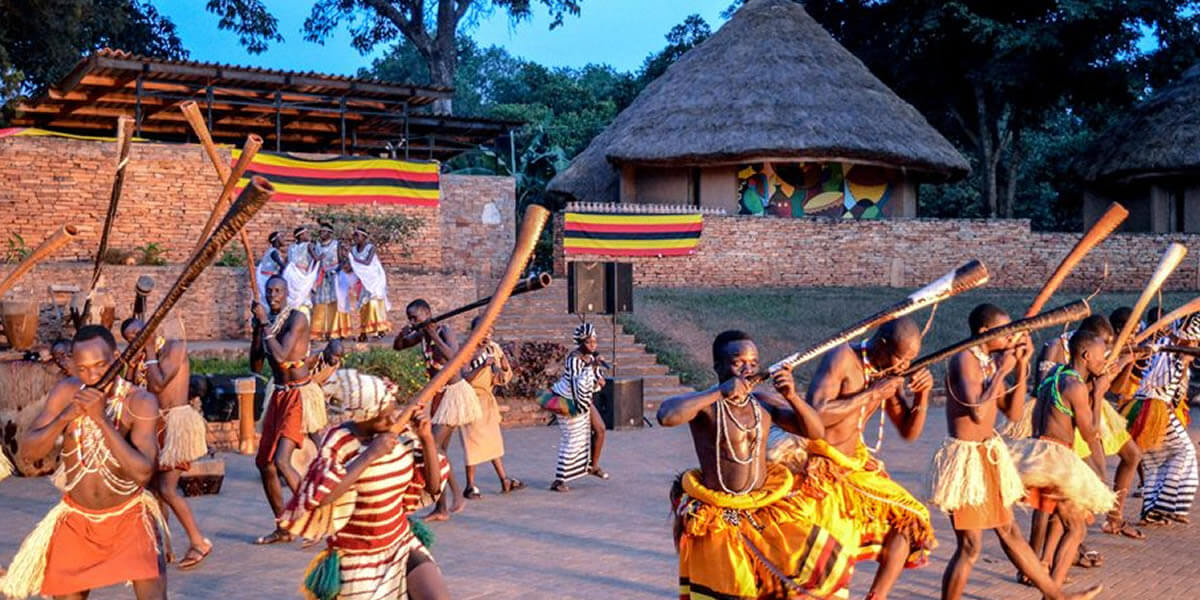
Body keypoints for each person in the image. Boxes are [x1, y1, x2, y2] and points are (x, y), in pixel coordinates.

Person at [657, 330, 855, 599]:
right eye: (738, 363)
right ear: (718, 366)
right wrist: (719, 391)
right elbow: (666, 416)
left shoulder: (762, 404)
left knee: (819, 562)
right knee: (733, 589)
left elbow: (816, 431)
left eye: (754, 363)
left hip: (762, 508)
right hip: (720, 515)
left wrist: (792, 396)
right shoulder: (707, 406)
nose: (748, 370)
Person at [936, 305, 1101, 600]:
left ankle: (1056, 596)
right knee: (970, 547)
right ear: (986, 332)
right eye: (1005, 330)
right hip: (966, 461)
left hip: (988, 457)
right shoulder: (965, 360)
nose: (1011, 336)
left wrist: (1022, 366)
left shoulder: (988, 362)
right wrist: (1003, 371)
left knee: (1010, 533)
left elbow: (1012, 412)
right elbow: (976, 412)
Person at [1, 326, 169, 600]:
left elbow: (142, 473)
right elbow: (29, 452)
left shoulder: (140, 401)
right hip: (76, 520)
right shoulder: (67, 391)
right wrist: (66, 417)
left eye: (100, 366)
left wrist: (101, 420)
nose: (91, 376)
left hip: (129, 518)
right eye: (82, 368)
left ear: (116, 357)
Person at [801, 317, 936, 600]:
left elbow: (908, 432)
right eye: (901, 357)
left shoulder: (886, 370)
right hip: (821, 465)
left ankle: (877, 596)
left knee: (910, 521)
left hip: (857, 466)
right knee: (830, 551)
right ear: (881, 344)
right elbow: (815, 414)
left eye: (910, 360)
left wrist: (922, 396)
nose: (903, 366)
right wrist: (871, 394)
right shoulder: (841, 357)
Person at [280, 378, 451, 600]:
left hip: (401, 543)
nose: (392, 421)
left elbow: (434, 486)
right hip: (357, 558)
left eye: (392, 413)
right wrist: (370, 455)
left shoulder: (400, 433)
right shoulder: (338, 441)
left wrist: (426, 439)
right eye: (383, 418)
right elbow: (323, 497)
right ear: (362, 419)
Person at [1008, 329, 1117, 587]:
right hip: (1057, 457)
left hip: (1039, 451)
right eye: (1102, 356)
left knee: (1061, 516)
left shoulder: (1053, 376)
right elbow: (1090, 434)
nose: (1104, 361)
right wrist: (1100, 393)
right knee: (1077, 528)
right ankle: (1052, 589)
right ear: (1086, 354)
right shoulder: (1075, 386)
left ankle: (1045, 570)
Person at [121, 318, 213, 571]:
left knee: (167, 488)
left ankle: (199, 541)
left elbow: (159, 383)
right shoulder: (142, 358)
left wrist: (149, 350)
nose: (135, 339)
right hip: (154, 426)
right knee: (154, 490)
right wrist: (130, 364)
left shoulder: (174, 347)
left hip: (176, 425)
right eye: (130, 338)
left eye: (138, 333)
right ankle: (163, 548)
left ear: (151, 329)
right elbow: (128, 389)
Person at [394, 299, 476, 520]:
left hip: (454, 394)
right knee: (438, 452)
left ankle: (455, 497)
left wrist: (433, 334)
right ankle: (442, 507)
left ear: (427, 314)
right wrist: (402, 334)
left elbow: (454, 358)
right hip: (439, 396)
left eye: (415, 318)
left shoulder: (443, 330)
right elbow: (398, 346)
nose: (412, 322)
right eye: (409, 318)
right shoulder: (422, 333)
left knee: (434, 449)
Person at [251, 275, 313, 545]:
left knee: (281, 461)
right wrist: (256, 329)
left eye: (278, 290)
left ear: (287, 293)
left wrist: (264, 322)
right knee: (263, 463)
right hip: (277, 395)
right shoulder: (267, 323)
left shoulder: (296, 318)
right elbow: (255, 366)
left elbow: (281, 355)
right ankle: (283, 526)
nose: (273, 295)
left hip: (298, 394)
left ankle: (315, 520)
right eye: (269, 291)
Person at [1122, 313, 1200, 526]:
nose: (1195, 346)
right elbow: (1157, 382)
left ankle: (1156, 509)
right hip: (1152, 406)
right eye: (1193, 341)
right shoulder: (1167, 349)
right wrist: (1181, 362)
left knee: (1156, 461)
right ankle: (1165, 505)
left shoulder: (1169, 349)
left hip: (1154, 406)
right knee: (1184, 452)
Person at [461, 316, 525, 497]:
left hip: (487, 401)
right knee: (472, 443)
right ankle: (470, 485)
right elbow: (465, 377)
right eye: (483, 331)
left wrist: (504, 368)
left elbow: (502, 378)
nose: (487, 335)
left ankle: (504, 479)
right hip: (471, 400)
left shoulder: (493, 348)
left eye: (489, 331)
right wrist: (482, 366)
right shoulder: (467, 350)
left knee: (492, 442)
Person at [543, 323, 610, 492]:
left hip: (583, 400)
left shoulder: (590, 357)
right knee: (572, 439)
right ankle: (559, 481)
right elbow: (577, 383)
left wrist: (599, 376)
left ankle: (593, 466)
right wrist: (593, 369)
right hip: (568, 401)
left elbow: (596, 379)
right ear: (580, 343)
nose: (593, 345)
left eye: (594, 341)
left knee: (600, 429)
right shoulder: (574, 359)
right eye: (589, 342)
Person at [349, 227, 392, 341]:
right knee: (364, 305)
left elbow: (368, 262)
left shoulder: (370, 248)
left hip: (374, 279)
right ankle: (363, 332)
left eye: (357, 235)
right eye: (354, 235)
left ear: (364, 237)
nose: (355, 238)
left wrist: (353, 259)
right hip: (362, 280)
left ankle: (380, 329)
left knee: (374, 303)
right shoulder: (353, 250)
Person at [310, 222, 341, 341]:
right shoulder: (317, 245)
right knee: (319, 304)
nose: (321, 234)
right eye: (320, 231)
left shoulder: (336, 244)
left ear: (330, 233)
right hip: (321, 276)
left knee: (333, 304)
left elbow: (342, 261)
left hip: (333, 276)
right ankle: (318, 332)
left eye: (324, 231)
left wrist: (335, 271)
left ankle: (332, 331)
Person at [282, 226, 319, 314]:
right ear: (301, 236)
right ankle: (302, 314)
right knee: (303, 294)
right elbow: (316, 258)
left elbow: (287, 261)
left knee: (292, 294)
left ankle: (292, 311)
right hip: (301, 274)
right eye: (306, 233)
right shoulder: (308, 245)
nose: (308, 235)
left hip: (290, 274)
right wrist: (321, 256)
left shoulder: (291, 247)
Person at [255, 231, 286, 306]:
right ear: (276, 240)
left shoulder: (275, 251)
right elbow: (282, 266)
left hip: (269, 278)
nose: (283, 239)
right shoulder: (273, 252)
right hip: (267, 278)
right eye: (281, 237)